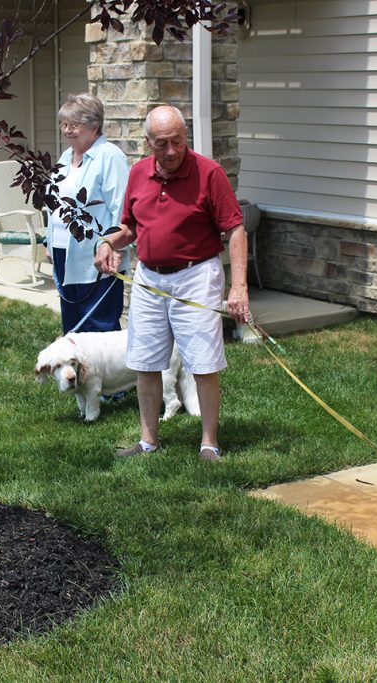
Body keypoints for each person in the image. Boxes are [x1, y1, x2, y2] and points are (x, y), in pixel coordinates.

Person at [94, 105, 251, 462]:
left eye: (177, 141)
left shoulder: (209, 173)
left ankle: (209, 443)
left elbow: (235, 228)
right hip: (149, 278)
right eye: (162, 143)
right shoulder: (137, 174)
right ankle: (148, 441)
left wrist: (239, 286)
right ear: (147, 142)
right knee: (145, 360)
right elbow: (129, 227)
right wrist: (106, 243)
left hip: (197, 274)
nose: (170, 151)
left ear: (186, 137)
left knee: (203, 361)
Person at [48, 93, 130, 333]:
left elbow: (121, 208)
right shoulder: (65, 158)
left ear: (94, 126)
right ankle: (78, 370)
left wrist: (115, 247)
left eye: (74, 125)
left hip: (98, 256)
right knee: (72, 323)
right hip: (65, 253)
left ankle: (103, 371)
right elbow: (55, 203)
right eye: (64, 124)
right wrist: (49, 242)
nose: (67, 130)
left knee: (97, 323)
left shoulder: (109, 156)